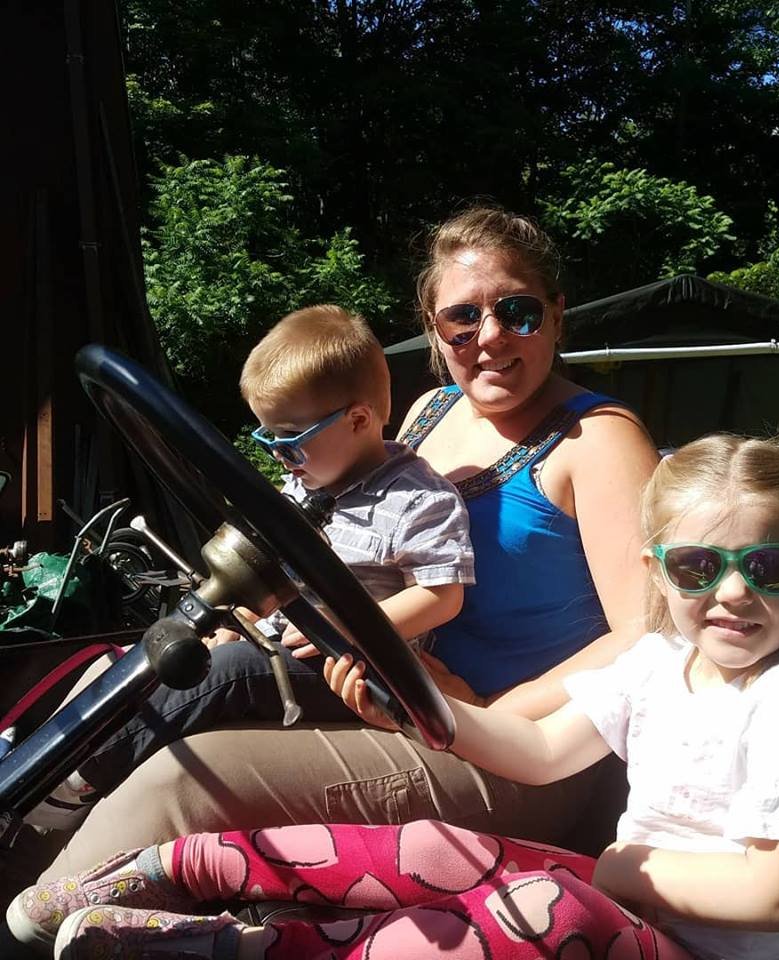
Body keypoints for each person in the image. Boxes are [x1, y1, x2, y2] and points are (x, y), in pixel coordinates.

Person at [10, 435, 779, 960]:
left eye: (768, 567)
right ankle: (174, 871)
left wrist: (621, 869)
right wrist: (421, 712)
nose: (732, 593)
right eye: (698, 566)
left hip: (689, 940)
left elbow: (778, 897)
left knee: (547, 906)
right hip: (633, 904)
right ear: (658, 572)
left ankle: (261, 947)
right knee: (436, 847)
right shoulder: (661, 659)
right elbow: (541, 750)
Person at [26, 204, 660, 886]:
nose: (490, 335)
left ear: (557, 316)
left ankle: (28, 917)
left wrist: (492, 715)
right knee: (140, 671)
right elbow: (352, 541)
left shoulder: (598, 439)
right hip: (383, 689)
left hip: (512, 748)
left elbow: (646, 634)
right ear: (435, 328)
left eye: (519, 312)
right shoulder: (431, 411)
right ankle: (28, 818)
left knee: (184, 781)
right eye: (463, 317)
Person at [25, 304, 474, 831]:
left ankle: (71, 782)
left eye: (290, 442)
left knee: (227, 675)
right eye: (268, 441)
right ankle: (36, 749)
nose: (280, 457)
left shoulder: (419, 499)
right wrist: (236, 619)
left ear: (357, 420)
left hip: (353, 669)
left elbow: (443, 596)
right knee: (148, 650)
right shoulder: (301, 485)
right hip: (279, 639)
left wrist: (351, 625)